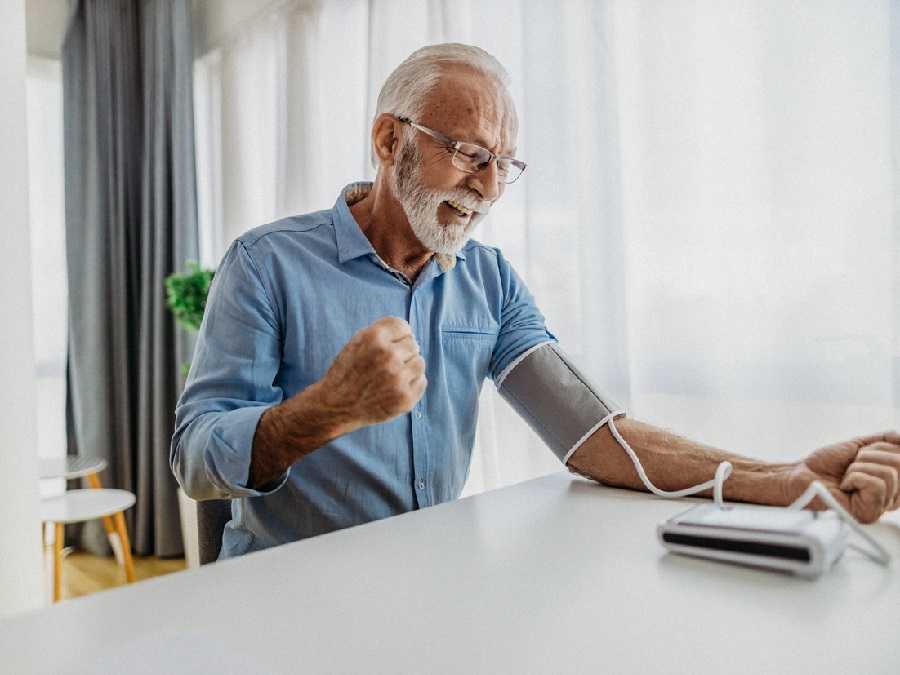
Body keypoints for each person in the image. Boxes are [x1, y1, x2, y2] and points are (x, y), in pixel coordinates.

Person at [171, 43, 900, 560]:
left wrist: (787, 480)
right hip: (286, 596)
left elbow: (592, 433)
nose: (487, 189)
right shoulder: (265, 264)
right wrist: (325, 408)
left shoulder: (489, 279)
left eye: (501, 164)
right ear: (389, 139)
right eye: (467, 152)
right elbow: (193, 459)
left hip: (429, 585)